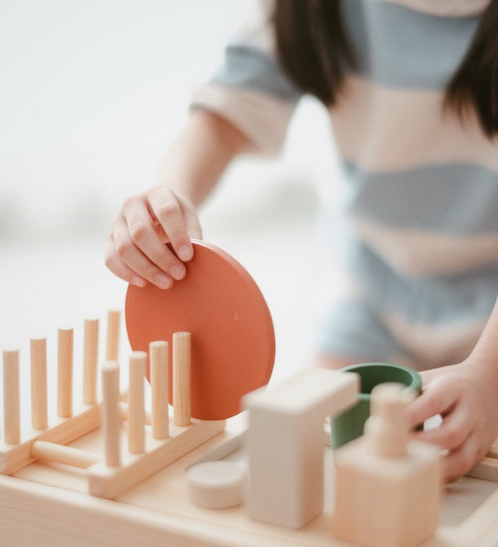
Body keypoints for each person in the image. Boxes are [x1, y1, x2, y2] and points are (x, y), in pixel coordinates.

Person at [105, 0, 498, 482]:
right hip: (371, 293)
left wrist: (488, 375)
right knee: (311, 465)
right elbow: (226, 112)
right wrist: (166, 196)